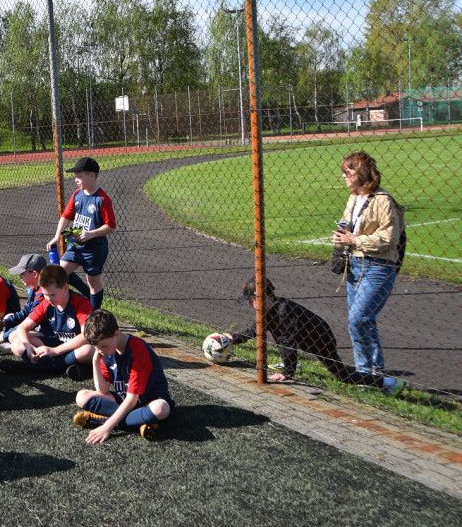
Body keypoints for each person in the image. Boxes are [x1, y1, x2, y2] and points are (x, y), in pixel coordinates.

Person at [215, 278, 406, 395]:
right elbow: (255, 330)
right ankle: (293, 364)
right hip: (305, 338)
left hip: (321, 339)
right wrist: (232, 337)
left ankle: (388, 382)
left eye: (250, 301)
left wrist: (288, 372)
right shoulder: (269, 311)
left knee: (342, 375)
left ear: (262, 297)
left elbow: (287, 344)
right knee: (281, 340)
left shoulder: (283, 312)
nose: (250, 305)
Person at [331, 151, 403, 376]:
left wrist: (354, 240)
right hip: (355, 265)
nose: (344, 176)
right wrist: (340, 237)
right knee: (361, 321)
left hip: (378, 267)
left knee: (358, 319)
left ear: (361, 173)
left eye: (348, 172)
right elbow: (347, 224)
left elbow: (389, 238)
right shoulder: (353, 198)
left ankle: (374, 373)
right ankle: (365, 373)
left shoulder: (383, 200)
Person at [73, 309, 174, 443]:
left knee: (161, 409)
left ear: (116, 334)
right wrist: (95, 362)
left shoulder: (137, 349)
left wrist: (106, 427)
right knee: (81, 396)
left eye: (103, 346)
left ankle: (103, 420)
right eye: (96, 348)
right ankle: (140, 422)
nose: (100, 351)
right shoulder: (105, 352)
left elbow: (132, 398)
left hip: (148, 401)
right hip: (124, 399)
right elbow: (102, 390)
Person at [0, 264, 95, 380]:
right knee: (17, 343)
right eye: (45, 294)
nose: (49, 298)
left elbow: (86, 335)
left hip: (73, 347)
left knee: (89, 350)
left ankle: (37, 367)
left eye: (52, 295)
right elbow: (22, 327)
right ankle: (69, 367)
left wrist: (55, 351)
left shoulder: (81, 303)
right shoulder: (46, 303)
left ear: (66, 288)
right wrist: (28, 346)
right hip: (55, 344)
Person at [46, 156, 116, 310]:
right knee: (60, 273)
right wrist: (57, 236)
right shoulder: (77, 194)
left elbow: (110, 226)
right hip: (76, 243)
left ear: (91, 175)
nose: (76, 180)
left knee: (93, 281)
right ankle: (85, 297)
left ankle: (93, 313)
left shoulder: (102, 199)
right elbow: (66, 216)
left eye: (79, 176)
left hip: (94, 249)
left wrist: (91, 233)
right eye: (75, 176)